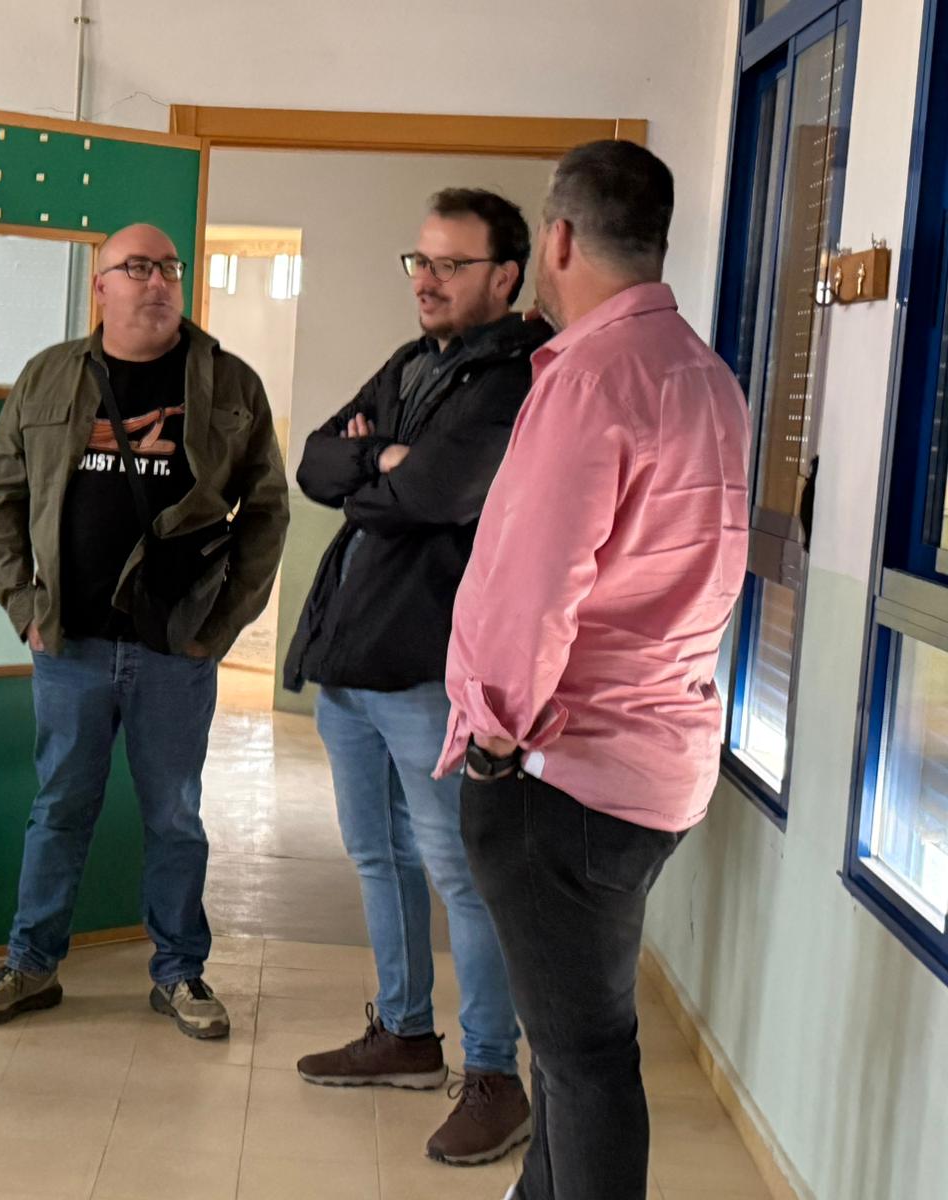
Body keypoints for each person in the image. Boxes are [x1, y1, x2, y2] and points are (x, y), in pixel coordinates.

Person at [437, 141, 750, 1200]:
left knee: (585, 1061)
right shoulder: (706, 377)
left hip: (561, 774)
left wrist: (489, 738)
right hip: (658, 765)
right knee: (570, 1046)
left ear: (558, 239)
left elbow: (531, 586)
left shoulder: (592, 379)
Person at [0, 222, 288, 1039]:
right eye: (135, 268)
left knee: (175, 815)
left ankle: (181, 973)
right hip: (69, 646)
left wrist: (221, 625)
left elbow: (268, 513)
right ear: (99, 286)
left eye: (169, 268)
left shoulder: (230, 384)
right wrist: (23, 607)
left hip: (175, 651)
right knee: (59, 808)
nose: (157, 282)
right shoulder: (48, 378)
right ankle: (31, 964)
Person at [284, 189, 549, 1164]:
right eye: (418, 262)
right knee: (374, 852)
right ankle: (403, 1033)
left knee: (461, 873)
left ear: (506, 276)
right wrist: (378, 459)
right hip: (349, 656)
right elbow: (314, 462)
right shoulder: (408, 365)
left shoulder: (516, 378)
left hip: (432, 667)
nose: (426, 281)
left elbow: (439, 491)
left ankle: (493, 1075)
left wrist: (386, 462)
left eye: (449, 264)